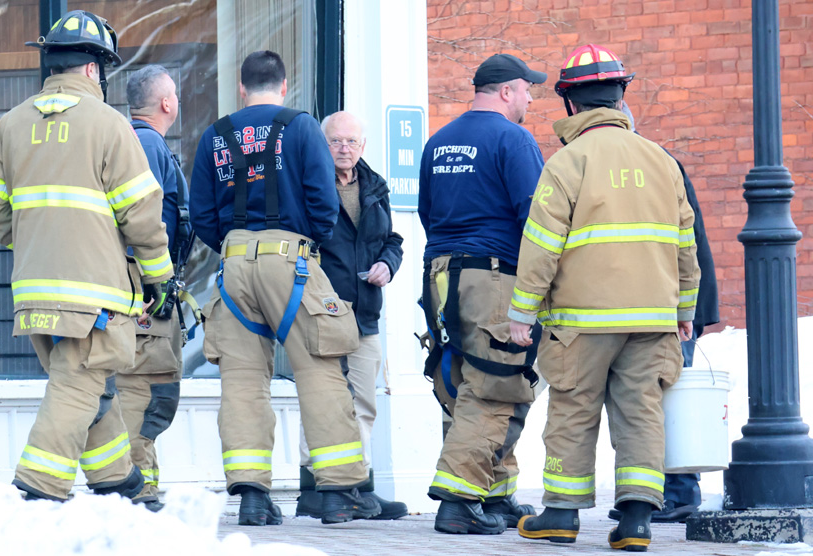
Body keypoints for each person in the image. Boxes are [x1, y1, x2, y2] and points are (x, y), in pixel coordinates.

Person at [0, 10, 173, 503]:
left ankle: (119, 481)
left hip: (35, 291)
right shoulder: (109, 125)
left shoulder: (11, 125)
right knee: (79, 386)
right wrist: (158, 276)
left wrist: (34, 239)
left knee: (86, 386)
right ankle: (36, 490)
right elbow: (142, 212)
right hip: (94, 295)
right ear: (91, 69)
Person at [509, 44, 700, 551]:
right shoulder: (662, 161)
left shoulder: (567, 162)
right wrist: (685, 311)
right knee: (642, 412)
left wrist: (521, 313)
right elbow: (687, 244)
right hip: (653, 318)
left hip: (582, 321)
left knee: (573, 410)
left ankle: (561, 516)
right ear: (620, 95)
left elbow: (541, 247)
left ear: (571, 103)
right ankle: (636, 523)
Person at [190, 50, 380, 526]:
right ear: (285, 84)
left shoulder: (216, 135)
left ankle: (253, 496)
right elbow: (323, 201)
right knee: (319, 369)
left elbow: (202, 213)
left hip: (233, 266)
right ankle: (338, 494)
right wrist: (302, 243)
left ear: (240, 87)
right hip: (291, 262)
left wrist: (235, 243)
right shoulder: (300, 127)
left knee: (241, 381)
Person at [417, 53, 547, 535]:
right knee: (497, 386)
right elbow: (535, 219)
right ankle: (457, 498)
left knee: (466, 381)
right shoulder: (513, 139)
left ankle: (496, 493)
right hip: (493, 276)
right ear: (507, 91)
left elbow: (428, 214)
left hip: (441, 276)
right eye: (528, 89)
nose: (532, 97)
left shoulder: (439, 141)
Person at [605, 101, 721, 525]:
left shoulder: (649, 163)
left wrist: (690, 308)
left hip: (669, 308)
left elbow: (684, 240)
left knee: (664, 400)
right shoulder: (658, 162)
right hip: (665, 305)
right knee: (647, 403)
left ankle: (678, 492)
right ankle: (653, 494)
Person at [294, 111, 407, 520]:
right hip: (321, 310)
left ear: (363, 147)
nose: (344, 149)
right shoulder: (309, 185)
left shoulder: (375, 186)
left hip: (365, 312)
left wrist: (388, 264)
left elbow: (391, 238)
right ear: (323, 145)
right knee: (321, 399)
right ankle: (314, 487)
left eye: (351, 142)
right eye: (335, 141)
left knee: (363, 400)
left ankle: (357, 488)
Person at [115, 64, 193, 511]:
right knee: (146, 390)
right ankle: (135, 489)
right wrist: (154, 282)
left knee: (149, 387)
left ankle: (142, 485)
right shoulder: (145, 144)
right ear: (166, 103)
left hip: (145, 286)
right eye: (175, 96)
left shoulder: (134, 141)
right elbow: (142, 220)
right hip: (146, 291)